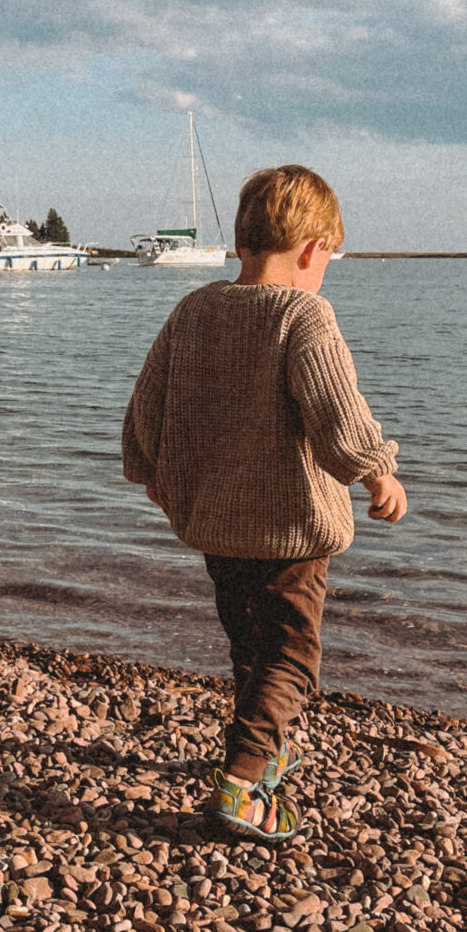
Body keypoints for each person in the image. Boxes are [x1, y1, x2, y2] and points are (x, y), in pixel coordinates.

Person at [122, 164, 407, 843]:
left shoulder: (194, 308)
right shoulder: (303, 314)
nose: (326, 271)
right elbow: (339, 416)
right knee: (291, 655)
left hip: (216, 522)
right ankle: (243, 784)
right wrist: (377, 473)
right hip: (291, 529)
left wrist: (151, 470)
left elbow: (147, 403)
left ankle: (263, 750)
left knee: (250, 643)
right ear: (313, 249)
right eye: (329, 258)